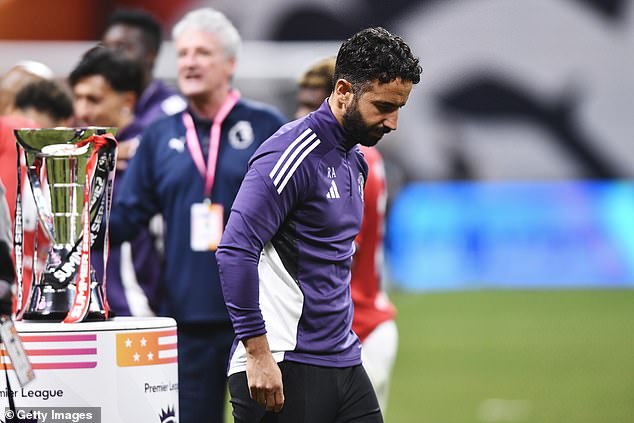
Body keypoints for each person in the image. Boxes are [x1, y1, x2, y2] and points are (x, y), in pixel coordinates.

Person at [216, 26, 421, 423]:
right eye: (383, 106)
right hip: (283, 361)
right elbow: (235, 250)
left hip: (342, 358)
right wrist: (257, 353)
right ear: (343, 91)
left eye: (399, 108)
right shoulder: (290, 153)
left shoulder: (355, 160)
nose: (393, 122)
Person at [105, 8, 287, 423]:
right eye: (183, 53)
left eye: (202, 52)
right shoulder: (159, 135)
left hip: (258, 319)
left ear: (230, 63)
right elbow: (126, 218)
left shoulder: (266, 126)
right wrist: (75, 218)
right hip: (186, 318)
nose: (189, 62)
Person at [295, 56, 399, 414]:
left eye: (312, 105)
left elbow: (331, 250)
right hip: (364, 322)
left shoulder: (348, 161)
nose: (302, 115)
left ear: (340, 99)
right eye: (300, 104)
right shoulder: (364, 157)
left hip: (353, 330)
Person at [68, 45, 162, 317]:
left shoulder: (155, 147)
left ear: (128, 101)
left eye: (93, 99)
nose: (82, 110)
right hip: (82, 304)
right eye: (78, 97)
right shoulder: (73, 149)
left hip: (136, 306)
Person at [0, 77, 74, 315]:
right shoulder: (72, 156)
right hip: (40, 304)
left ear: (13, 106)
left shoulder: (5, 128)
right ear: (65, 122)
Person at [102, 8, 186, 169]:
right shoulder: (96, 106)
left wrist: (135, 150)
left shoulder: (173, 109)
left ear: (150, 55)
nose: (110, 56)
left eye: (121, 47)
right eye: (106, 47)